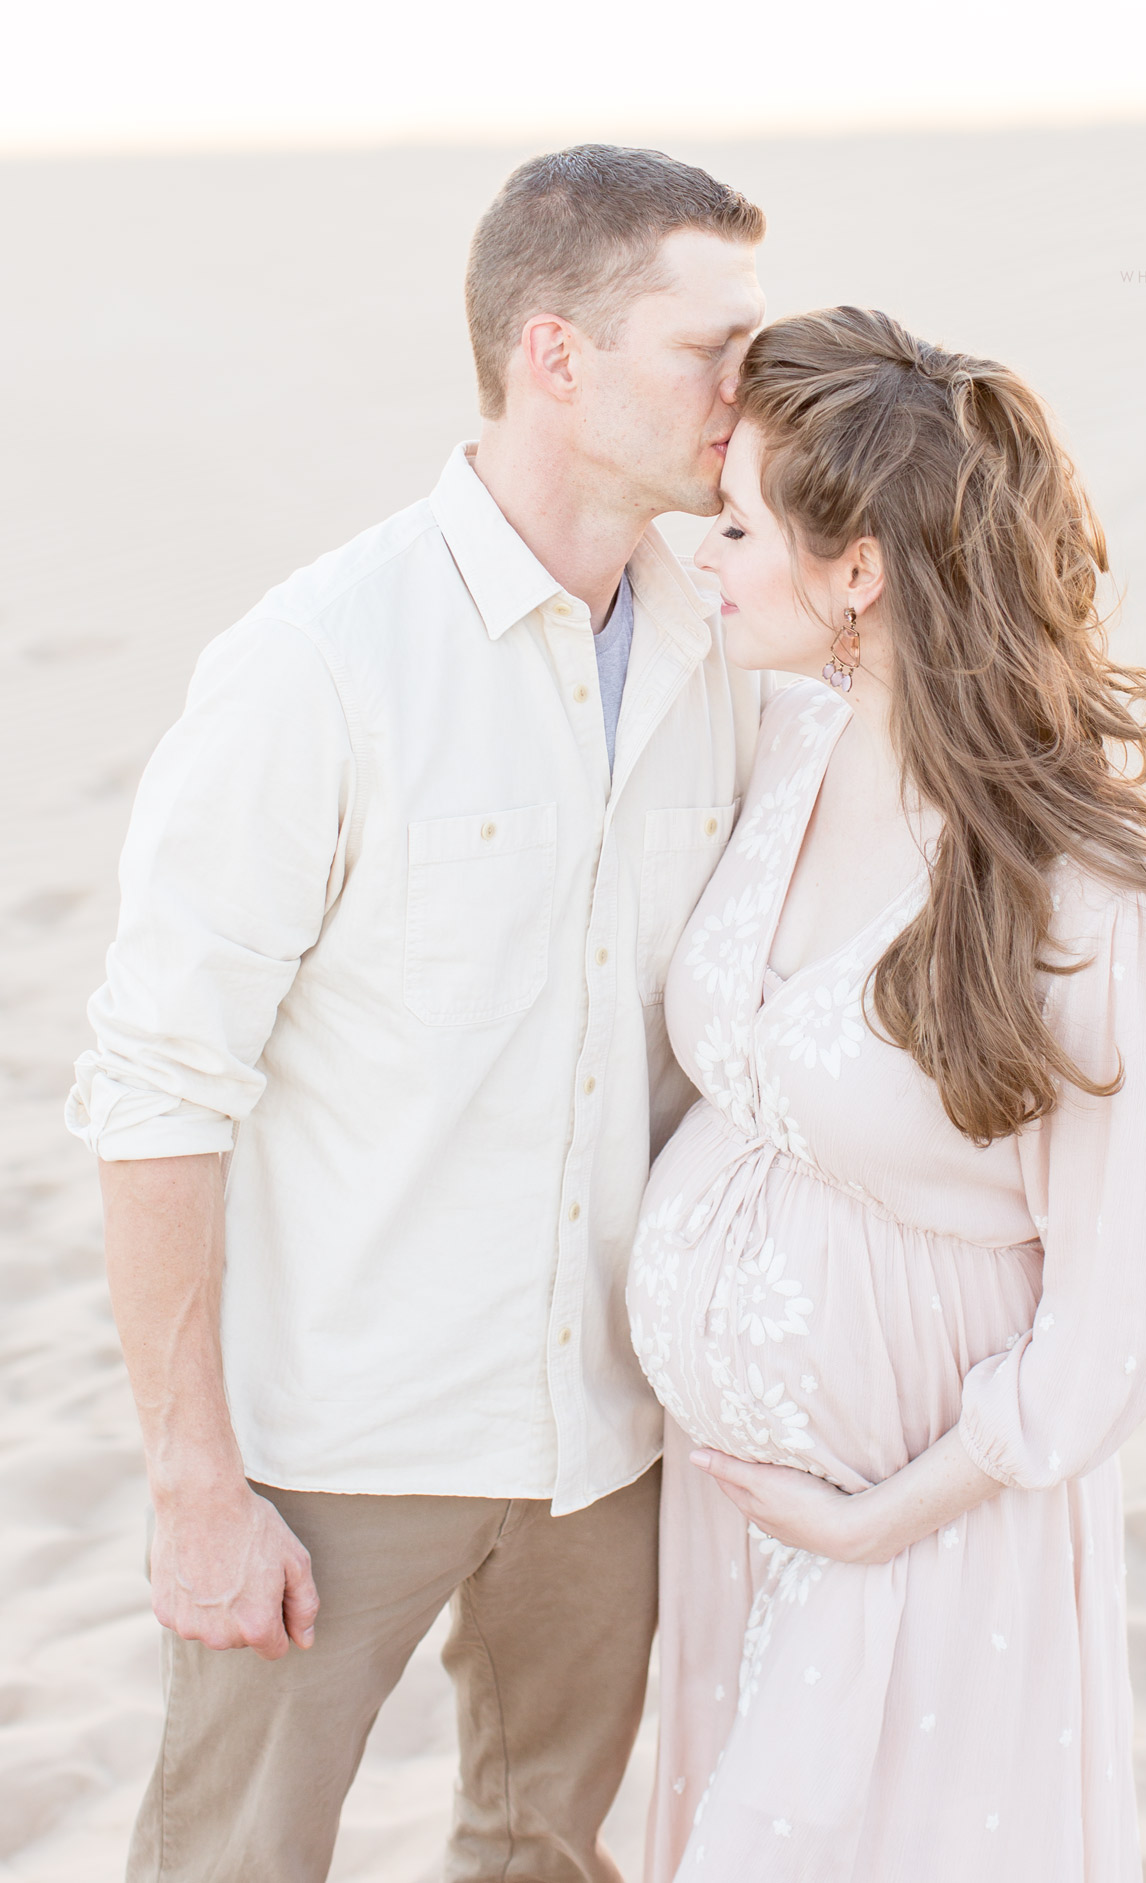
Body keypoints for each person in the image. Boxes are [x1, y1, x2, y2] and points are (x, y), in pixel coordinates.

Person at [67, 145, 767, 1883]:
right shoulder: (317, 663)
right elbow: (157, 1090)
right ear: (554, 356)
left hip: (611, 1445)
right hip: (333, 1451)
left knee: (543, 1854)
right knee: (230, 1862)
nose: (750, 395)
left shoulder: (730, 651)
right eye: (712, 349)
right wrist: (194, 1490)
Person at [627, 307, 1146, 1881]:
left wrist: (877, 1520)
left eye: (742, 523)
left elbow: (1122, 1316)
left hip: (925, 1551)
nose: (710, 553)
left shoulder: (1086, 903)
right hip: (737, 1527)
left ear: (861, 570)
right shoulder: (791, 741)